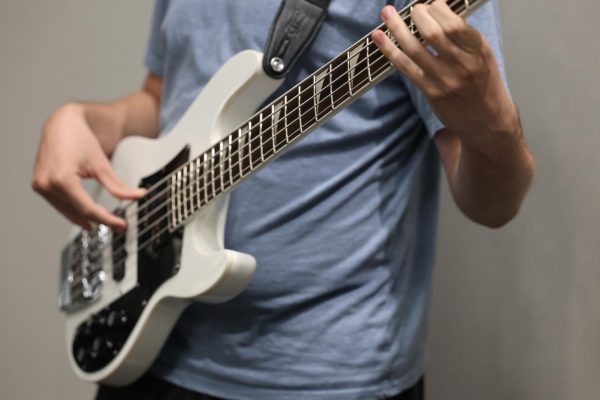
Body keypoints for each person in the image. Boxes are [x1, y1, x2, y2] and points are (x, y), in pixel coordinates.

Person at [32, 0, 535, 399]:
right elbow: (162, 98)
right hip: (148, 348)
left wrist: (494, 127)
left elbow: (491, 205)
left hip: (324, 377)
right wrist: (80, 120)